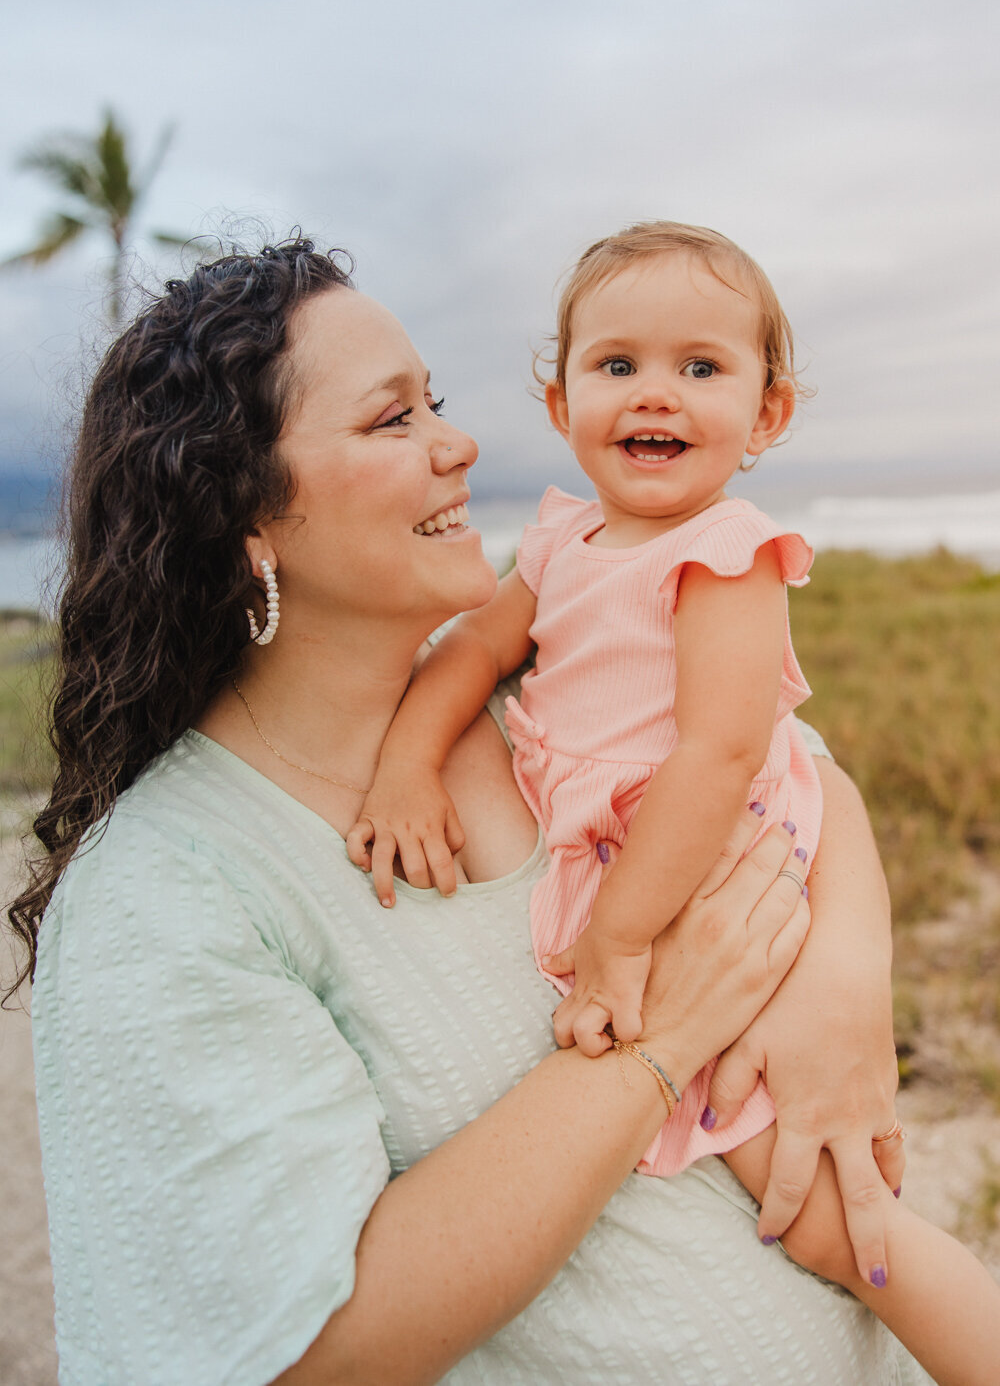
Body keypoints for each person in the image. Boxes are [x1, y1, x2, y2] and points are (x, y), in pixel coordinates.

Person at [6, 236, 945, 1385]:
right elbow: (300, 1356)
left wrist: (846, 979)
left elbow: (796, 768)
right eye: (392, 420)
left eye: (436, 402)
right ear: (244, 514)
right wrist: (655, 1046)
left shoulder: (534, 703)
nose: (460, 444)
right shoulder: (168, 891)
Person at [346, 220, 1000, 1377]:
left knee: (833, 1220)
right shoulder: (559, 541)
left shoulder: (727, 551)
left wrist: (622, 936)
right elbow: (468, 654)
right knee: (767, 1159)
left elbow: (716, 756)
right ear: (560, 404)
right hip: (643, 865)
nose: (658, 393)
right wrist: (404, 762)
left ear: (768, 415)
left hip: (710, 856)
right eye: (618, 365)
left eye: (701, 368)